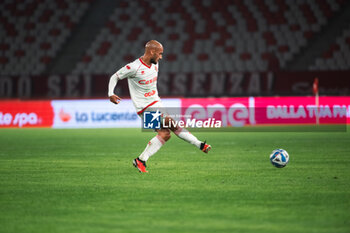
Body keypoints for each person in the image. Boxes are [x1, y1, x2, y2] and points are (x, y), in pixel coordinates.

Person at [108, 40, 211, 173]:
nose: (161, 57)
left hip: (156, 103)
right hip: (145, 107)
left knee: (165, 134)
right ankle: (200, 144)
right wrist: (111, 93)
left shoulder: (155, 64)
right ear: (152, 52)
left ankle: (141, 159)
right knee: (171, 122)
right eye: (160, 54)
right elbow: (114, 77)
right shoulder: (134, 67)